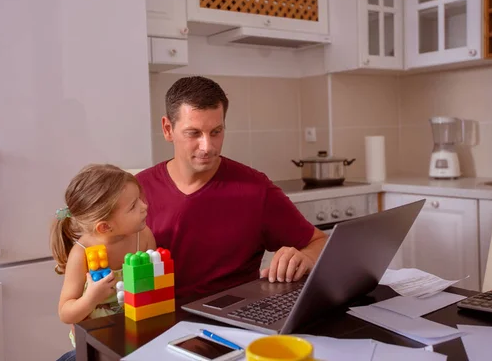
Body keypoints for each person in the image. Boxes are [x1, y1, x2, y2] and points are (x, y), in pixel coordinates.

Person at [136, 76, 328, 299]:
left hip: (235, 321)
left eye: (216, 132)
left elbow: (319, 242)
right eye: (194, 133)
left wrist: (307, 258)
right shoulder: (137, 191)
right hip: (159, 322)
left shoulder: (256, 189)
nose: (207, 146)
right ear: (168, 129)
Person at [50, 164, 155, 361]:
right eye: (133, 206)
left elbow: (153, 283)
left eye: (140, 199)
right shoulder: (81, 254)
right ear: (105, 227)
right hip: (96, 344)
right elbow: (65, 313)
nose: (144, 206)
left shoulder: (144, 236)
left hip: (135, 337)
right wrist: (91, 297)